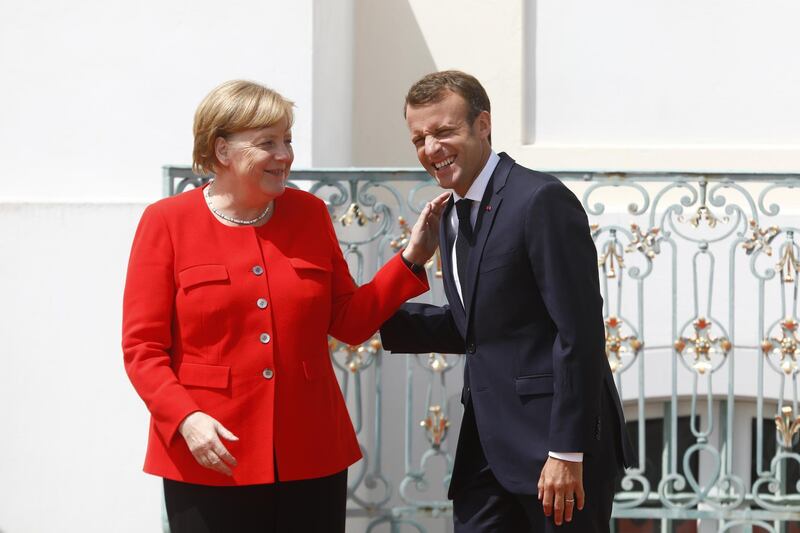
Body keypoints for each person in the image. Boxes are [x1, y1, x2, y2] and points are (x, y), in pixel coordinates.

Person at [122, 79, 449, 533]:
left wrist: (411, 258)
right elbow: (143, 350)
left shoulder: (310, 213)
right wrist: (186, 419)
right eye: (268, 143)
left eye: (288, 140)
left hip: (310, 451)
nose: (285, 155)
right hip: (210, 452)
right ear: (222, 151)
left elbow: (349, 322)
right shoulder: (167, 223)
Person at [380, 71, 636, 532]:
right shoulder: (451, 215)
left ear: (483, 125)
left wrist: (566, 450)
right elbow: (480, 326)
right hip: (487, 450)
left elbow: (578, 333)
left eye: (443, 132)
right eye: (419, 138)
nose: (430, 149)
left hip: (555, 453)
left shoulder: (540, 199)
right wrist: (372, 316)